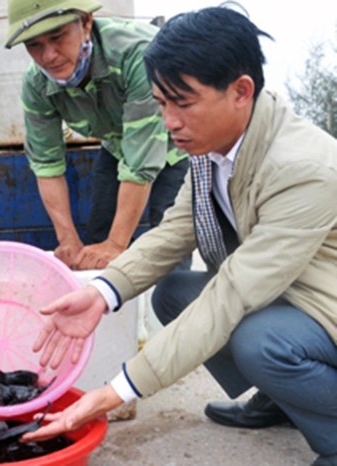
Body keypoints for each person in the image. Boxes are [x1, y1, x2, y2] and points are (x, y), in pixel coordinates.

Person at [22, 6, 337, 466]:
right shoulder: (216, 148)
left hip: (323, 305)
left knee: (258, 339)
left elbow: (234, 292)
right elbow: (174, 231)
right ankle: (284, 398)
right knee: (174, 292)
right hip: (290, 293)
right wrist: (102, 293)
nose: (168, 121)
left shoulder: (303, 168)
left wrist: (118, 388)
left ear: (241, 91)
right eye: (161, 103)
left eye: (182, 103)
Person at [5, 0, 188, 270]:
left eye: (58, 37)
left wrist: (116, 245)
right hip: (117, 143)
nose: (49, 56)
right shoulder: (36, 84)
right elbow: (46, 165)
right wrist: (67, 239)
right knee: (99, 233)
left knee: (169, 238)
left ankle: (172, 303)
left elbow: (139, 164)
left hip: (180, 142)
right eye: (34, 45)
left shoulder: (139, 54)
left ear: (86, 22)